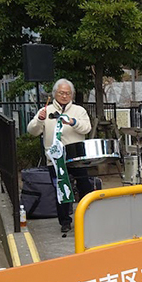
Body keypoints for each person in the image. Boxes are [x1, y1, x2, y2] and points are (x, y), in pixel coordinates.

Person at [27, 78, 92, 234]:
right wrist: (39, 120)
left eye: (68, 93)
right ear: (55, 93)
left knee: (85, 187)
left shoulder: (79, 110)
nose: (64, 96)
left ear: (72, 95)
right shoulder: (46, 110)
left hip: (76, 157)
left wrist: (73, 122)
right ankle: (64, 221)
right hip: (55, 159)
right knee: (61, 190)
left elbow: (86, 128)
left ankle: (87, 218)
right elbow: (32, 131)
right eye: (61, 93)